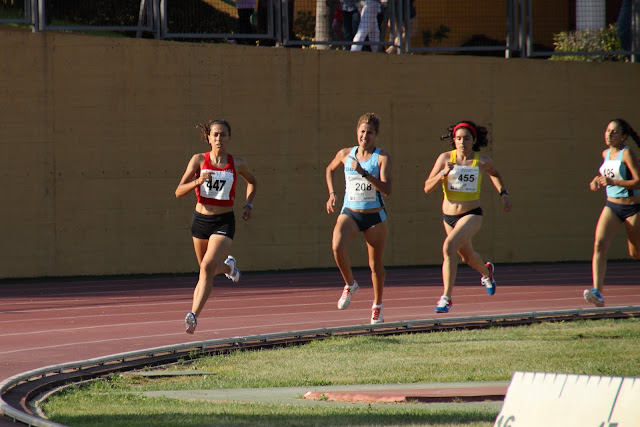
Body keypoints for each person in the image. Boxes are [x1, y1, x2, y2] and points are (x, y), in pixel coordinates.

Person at [175, 119, 257, 334]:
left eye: (223, 135)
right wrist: (198, 181)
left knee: (206, 268)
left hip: (223, 221)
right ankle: (229, 268)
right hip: (200, 221)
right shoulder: (198, 160)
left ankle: (193, 315)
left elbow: (252, 182)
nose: (219, 138)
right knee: (206, 271)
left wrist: (248, 204)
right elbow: (178, 191)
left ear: (229, 138)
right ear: (208, 138)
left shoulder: (237, 163)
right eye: (215, 135)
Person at [423, 120, 511, 313]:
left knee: (448, 247)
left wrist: (503, 194)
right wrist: (443, 173)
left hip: (471, 214)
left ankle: (446, 298)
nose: (462, 142)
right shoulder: (445, 158)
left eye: (467, 138)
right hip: (448, 217)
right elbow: (427, 187)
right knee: (467, 257)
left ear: (474, 140)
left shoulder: (482, 161)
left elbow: (495, 174)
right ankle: (487, 272)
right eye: (459, 138)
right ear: (454, 140)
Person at [325, 113, 392, 324]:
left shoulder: (381, 157)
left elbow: (387, 189)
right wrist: (332, 194)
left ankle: (377, 306)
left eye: (369, 132)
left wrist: (364, 173)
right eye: (362, 131)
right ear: (357, 132)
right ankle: (350, 284)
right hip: (351, 213)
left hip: (375, 218)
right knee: (337, 245)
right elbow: (329, 169)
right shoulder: (345, 154)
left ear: (376, 135)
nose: (365, 136)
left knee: (376, 266)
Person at [587, 119, 640, 307]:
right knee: (599, 244)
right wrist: (596, 182)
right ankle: (597, 292)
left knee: (635, 253)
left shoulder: (627, 154)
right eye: (608, 130)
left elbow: (638, 181)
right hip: (612, 206)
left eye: (614, 132)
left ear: (623, 136)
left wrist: (613, 182)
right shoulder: (606, 154)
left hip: (633, 208)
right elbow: (607, 176)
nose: (609, 135)